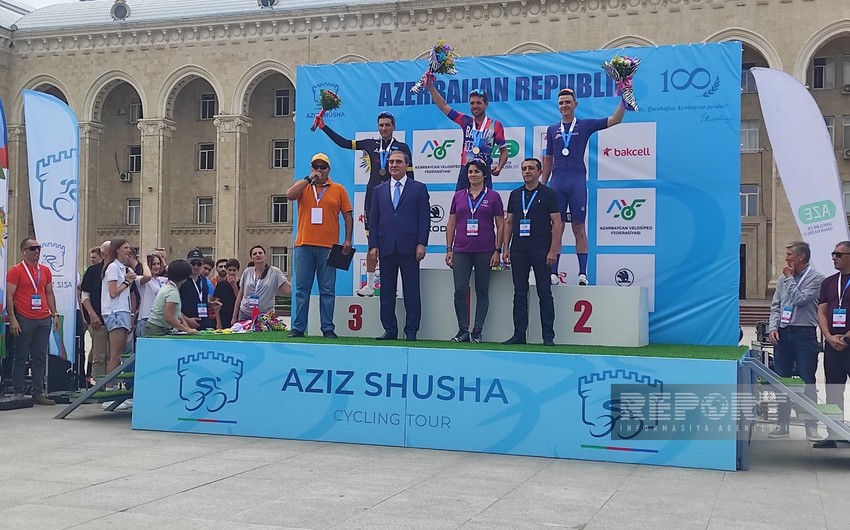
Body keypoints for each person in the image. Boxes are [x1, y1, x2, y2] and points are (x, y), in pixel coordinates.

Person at [315, 111, 414, 298]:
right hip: (373, 197)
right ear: (378, 126)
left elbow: (410, 176)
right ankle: (369, 285)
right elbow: (345, 143)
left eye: (387, 125)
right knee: (372, 240)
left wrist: (409, 199)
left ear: (394, 127)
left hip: (393, 199)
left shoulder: (402, 148)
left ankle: (390, 285)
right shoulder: (370, 144)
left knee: (392, 241)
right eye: (381, 125)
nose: (384, 128)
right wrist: (324, 127)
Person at [541, 87, 625, 286]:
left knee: (579, 227)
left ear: (575, 104)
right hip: (557, 182)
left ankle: (582, 274)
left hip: (577, 181)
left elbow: (615, 120)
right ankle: (554, 273)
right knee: (557, 227)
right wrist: (542, 185)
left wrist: (624, 99)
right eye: (561, 103)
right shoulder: (552, 129)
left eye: (568, 102)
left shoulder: (585, 125)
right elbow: (548, 159)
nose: (564, 106)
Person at [285, 153, 353, 338]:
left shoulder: (338, 189)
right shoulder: (303, 185)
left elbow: (348, 216)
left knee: (327, 290)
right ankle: (298, 327)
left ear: (329, 170)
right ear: (311, 168)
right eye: (316, 166)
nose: (319, 170)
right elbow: (289, 195)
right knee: (301, 289)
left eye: (323, 167)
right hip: (304, 245)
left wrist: (347, 240)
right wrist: (309, 179)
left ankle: (328, 328)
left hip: (329, 247)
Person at [369, 150, 430, 341]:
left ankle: (411, 330)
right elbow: (374, 220)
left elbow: (424, 219)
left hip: (410, 247)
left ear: (406, 165)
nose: (394, 165)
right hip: (386, 246)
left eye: (398, 162)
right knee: (386, 291)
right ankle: (390, 330)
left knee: (411, 290)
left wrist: (422, 243)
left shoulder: (418, 188)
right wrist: (373, 245)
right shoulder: (379, 190)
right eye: (391, 162)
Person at [766, 241, 824, 441]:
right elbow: (776, 306)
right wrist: (773, 327)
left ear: (801, 257)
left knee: (807, 379)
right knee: (782, 379)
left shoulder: (816, 279)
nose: (786, 258)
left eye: (790, 254)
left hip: (804, 334)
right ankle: (782, 424)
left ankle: (811, 426)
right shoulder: (783, 279)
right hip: (783, 334)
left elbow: (800, 299)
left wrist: (790, 279)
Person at [502, 158, 562, 346]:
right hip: (518, 250)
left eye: (531, 168)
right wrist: (505, 247)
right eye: (524, 168)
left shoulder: (549, 194)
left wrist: (553, 250)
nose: (527, 171)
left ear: (540, 172)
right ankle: (519, 334)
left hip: (541, 250)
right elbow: (509, 222)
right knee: (519, 293)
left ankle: (548, 336)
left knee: (545, 293)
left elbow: (557, 224)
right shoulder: (515, 194)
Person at [445, 158, 505, 343]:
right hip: (461, 250)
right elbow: (451, 223)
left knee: (482, 291)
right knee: (460, 290)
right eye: (470, 172)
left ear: (484, 175)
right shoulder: (458, 196)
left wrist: (497, 250)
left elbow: (501, 225)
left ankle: (477, 331)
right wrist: (449, 249)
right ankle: (463, 330)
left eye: (477, 171)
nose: (473, 175)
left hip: (485, 251)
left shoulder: (493, 196)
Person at [6, 238, 61, 404]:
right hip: (24, 318)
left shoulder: (44, 270)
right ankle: (18, 391)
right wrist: (13, 319)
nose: (37, 251)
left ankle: (38, 392)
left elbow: (49, 293)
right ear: (24, 251)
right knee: (21, 356)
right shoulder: (16, 270)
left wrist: (55, 313)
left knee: (40, 356)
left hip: (43, 318)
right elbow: (9, 295)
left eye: (38, 248)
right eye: (32, 248)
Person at [427, 81, 508, 191]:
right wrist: (430, 86)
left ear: (486, 104)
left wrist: (499, 167)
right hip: (466, 171)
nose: (475, 106)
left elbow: (504, 151)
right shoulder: (466, 121)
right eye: (472, 103)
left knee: (484, 201)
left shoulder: (495, 125)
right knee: (460, 201)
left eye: (478, 103)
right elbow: (443, 106)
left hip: (484, 171)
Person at [815, 241, 850, 448]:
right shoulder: (829, 282)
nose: (834, 257)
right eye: (833, 254)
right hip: (832, 345)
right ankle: (834, 434)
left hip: (848, 343)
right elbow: (821, 311)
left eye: (838, 254)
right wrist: (828, 336)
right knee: (834, 389)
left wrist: (846, 337)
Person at [101, 239, 150, 383]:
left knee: (120, 352)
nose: (128, 250)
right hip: (114, 311)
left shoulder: (124, 269)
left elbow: (146, 277)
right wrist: (127, 282)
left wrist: (144, 262)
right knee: (115, 354)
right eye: (125, 247)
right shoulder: (113, 267)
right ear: (117, 250)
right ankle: (109, 386)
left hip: (124, 311)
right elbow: (113, 292)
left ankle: (113, 384)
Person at [232, 247, 291, 323]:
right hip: (245, 313)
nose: (258, 255)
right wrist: (234, 316)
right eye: (254, 254)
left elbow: (288, 291)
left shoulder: (274, 272)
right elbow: (240, 295)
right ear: (251, 258)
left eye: (260, 253)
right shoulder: (247, 272)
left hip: (265, 315)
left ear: (265, 256)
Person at [143, 259, 198, 336]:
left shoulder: (168, 287)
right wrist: (187, 329)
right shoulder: (172, 292)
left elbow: (177, 314)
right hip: (157, 330)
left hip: (157, 328)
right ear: (185, 277)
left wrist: (187, 327)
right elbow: (169, 318)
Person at [81, 241, 109, 382]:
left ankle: (111, 385)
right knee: (99, 354)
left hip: (116, 321)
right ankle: (98, 385)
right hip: (98, 319)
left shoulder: (122, 269)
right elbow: (84, 295)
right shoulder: (92, 271)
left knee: (113, 355)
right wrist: (92, 315)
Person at [180, 249, 220, 331]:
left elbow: (200, 299)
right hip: (186, 326)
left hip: (204, 323)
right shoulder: (181, 280)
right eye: (192, 263)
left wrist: (210, 304)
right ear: (187, 263)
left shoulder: (204, 280)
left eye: (199, 264)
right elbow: (173, 307)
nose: (195, 266)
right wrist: (187, 320)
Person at [136, 253, 167, 339]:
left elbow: (176, 275)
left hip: (159, 320)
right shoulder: (140, 279)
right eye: (154, 264)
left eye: (158, 264)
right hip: (146, 318)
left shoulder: (162, 280)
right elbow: (147, 276)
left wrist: (164, 264)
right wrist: (144, 262)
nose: (157, 267)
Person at [213, 258, 240, 329]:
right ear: (226, 270)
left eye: (234, 270)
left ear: (237, 271)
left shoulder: (241, 284)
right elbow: (216, 305)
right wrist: (218, 322)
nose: (232, 272)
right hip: (223, 317)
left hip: (237, 316)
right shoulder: (221, 285)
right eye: (230, 270)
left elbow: (240, 301)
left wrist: (234, 286)